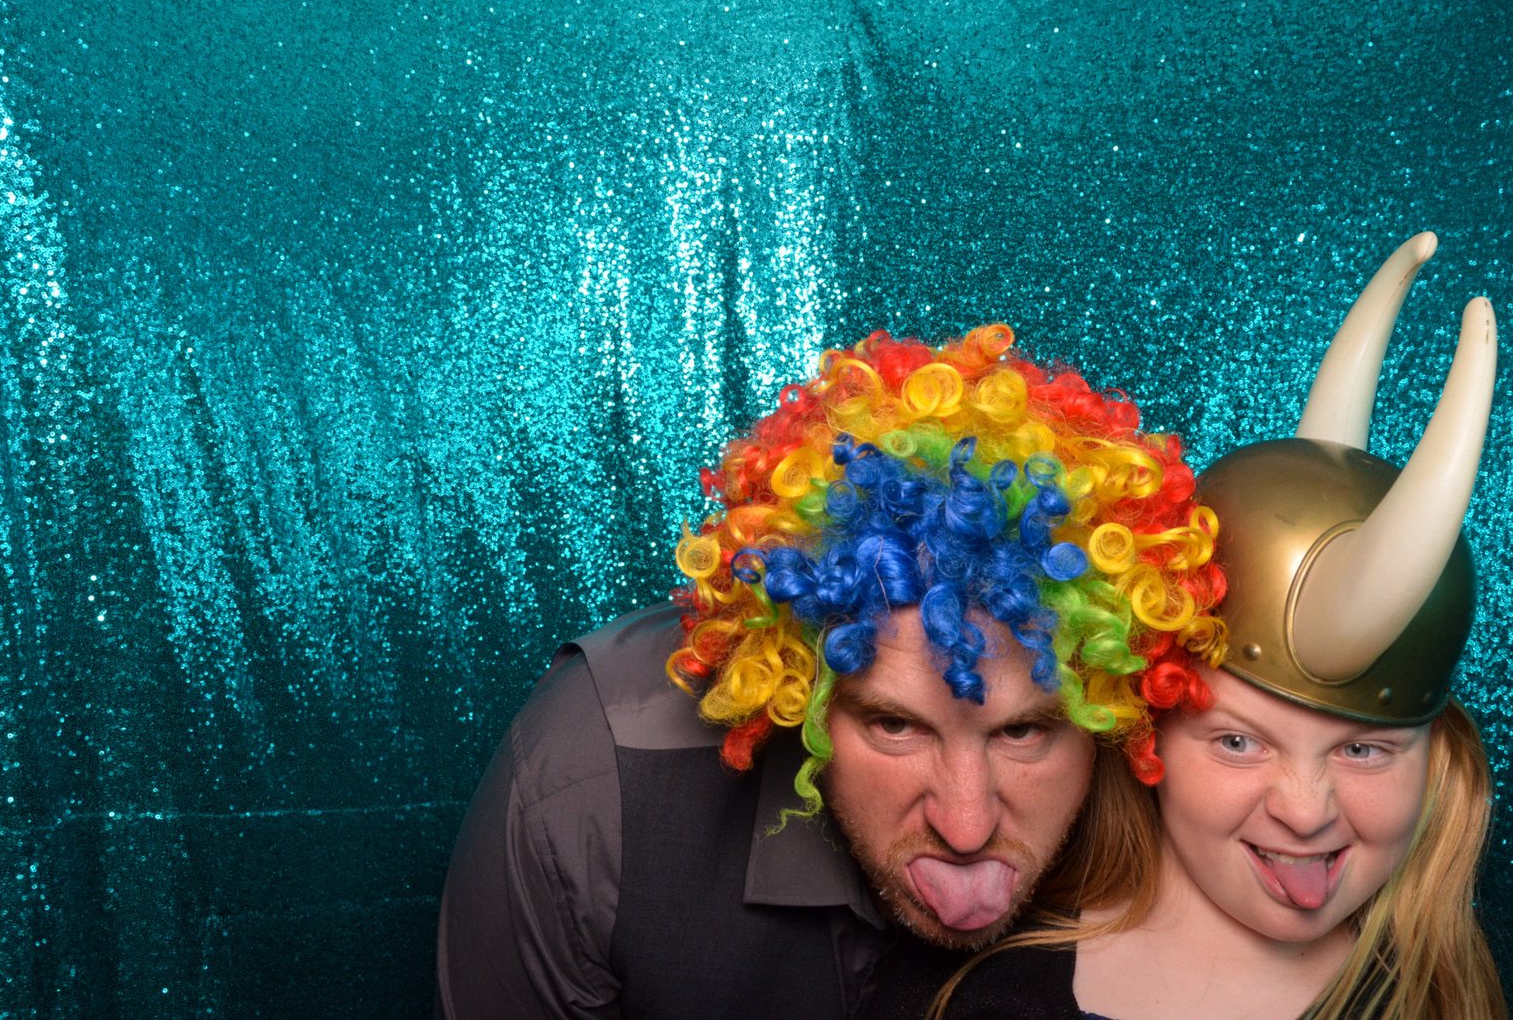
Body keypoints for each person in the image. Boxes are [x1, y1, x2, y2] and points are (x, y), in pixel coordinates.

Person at [435, 324, 1229, 1019]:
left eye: (1023, 731)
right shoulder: (587, 790)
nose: (966, 827)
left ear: (1111, 704)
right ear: (795, 683)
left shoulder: (1176, 803)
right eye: (893, 723)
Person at [928, 234, 1508, 1019]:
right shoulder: (991, 992)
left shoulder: (1439, 1001)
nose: (1305, 811)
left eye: (1364, 749)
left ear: (1434, 760)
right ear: (1148, 737)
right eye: (1237, 741)